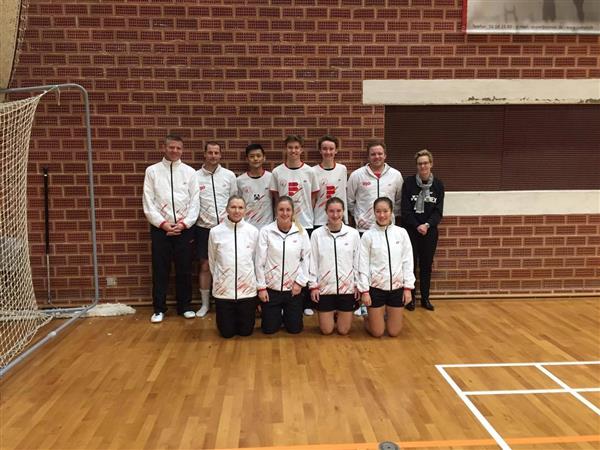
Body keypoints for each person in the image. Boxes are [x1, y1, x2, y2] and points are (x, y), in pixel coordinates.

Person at [142, 134, 199, 323]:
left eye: (178, 148)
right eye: (171, 147)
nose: (175, 151)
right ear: (164, 148)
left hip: (184, 229)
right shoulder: (152, 171)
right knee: (160, 269)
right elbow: (148, 202)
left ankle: (185, 306)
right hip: (161, 229)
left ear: (182, 150)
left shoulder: (190, 172)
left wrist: (183, 224)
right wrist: (163, 224)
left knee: (184, 269)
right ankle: (159, 309)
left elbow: (195, 202)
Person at [269, 134, 319, 316]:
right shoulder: (277, 172)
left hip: (305, 223)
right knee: (286, 260)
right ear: (286, 149)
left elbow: (314, 197)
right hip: (284, 223)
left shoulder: (310, 172)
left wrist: (304, 214)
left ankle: (305, 302)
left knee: (305, 261)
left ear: (301, 149)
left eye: (296, 147)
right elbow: (276, 198)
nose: (293, 150)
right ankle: (284, 301)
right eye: (290, 147)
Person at [358, 197, 415, 337]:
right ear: (374, 212)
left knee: (394, 332)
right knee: (377, 332)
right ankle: (367, 315)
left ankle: (384, 316)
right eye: (378, 211)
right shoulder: (367, 236)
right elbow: (362, 265)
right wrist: (364, 291)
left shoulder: (401, 233)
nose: (382, 215)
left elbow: (408, 262)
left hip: (396, 289)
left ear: (391, 212)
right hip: (375, 289)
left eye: (385, 211)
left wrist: (408, 288)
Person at [255, 196, 311, 334]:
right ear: (276, 211)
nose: (284, 213)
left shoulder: (301, 232)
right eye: (281, 209)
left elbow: (307, 260)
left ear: (292, 212)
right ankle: (275, 314)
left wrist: (300, 283)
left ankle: (286, 314)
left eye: (288, 210)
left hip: (293, 289)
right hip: (271, 289)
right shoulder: (266, 231)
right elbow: (259, 262)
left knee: (294, 329)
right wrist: (261, 288)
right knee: (269, 329)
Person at [195, 141, 237, 318]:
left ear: (220, 155)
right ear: (204, 154)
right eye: (210, 152)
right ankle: (205, 304)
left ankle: (226, 301)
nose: (213, 156)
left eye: (216, 153)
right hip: (203, 228)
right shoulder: (195, 176)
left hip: (225, 228)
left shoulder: (229, 176)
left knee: (226, 264)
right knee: (205, 266)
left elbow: (235, 201)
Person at [208, 195, 259, 338]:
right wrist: (220, 280)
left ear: (245, 210)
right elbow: (212, 260)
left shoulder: (253, 232)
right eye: (233, 207)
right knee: (226, 333)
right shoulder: (215, 232)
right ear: (227, 209)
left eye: (240, 207)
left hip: (247, 292)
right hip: (224, 292)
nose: (237, 211)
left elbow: (256, 260)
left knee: (246, 332)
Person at [309, 197, 360, 335]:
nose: (335, 215)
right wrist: (313, 286)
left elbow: (357, 261)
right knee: (326, 330)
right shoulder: (316, 235)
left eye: (338, 211)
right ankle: (331, 313)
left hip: (347, 290)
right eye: (331, 211)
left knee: (343, 331)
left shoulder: (353, 234)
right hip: (325, 290)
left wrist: (357, 284)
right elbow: (312, 262)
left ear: (343, 212)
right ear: (326, 212)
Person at [401, 149, 444, 312]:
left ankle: (425, 298)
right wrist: (417, 225)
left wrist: (427, 225)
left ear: (431, 164)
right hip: (411, 230)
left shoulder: (438, 185)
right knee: (410, 264)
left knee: (426, 265)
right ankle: (410, 299)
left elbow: (438, 211)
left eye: (425, 163)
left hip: (429, 231)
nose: (423, 166)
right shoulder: (408, 183)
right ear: (416, 166)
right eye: (420, 164)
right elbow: (405, 210)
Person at [346, 140, 403, 234]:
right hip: (364, 229)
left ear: (385, 155)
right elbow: (349, 200)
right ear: (368, 157)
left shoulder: (396, 175)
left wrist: (390, 216)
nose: (377, 157)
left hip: (388, 228)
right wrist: (359, 216)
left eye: (380, 154)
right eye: (373, 154)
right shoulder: (357, 175)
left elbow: (398, 201)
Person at [312, 135, 348, 228]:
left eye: (331, 149)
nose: (328, 152)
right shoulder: (313, 171)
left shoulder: (342, 169)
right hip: (319, 220)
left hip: (339, 219)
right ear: (320, 150)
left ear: (336, 150)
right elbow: (312, 199)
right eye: (324, 149)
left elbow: (344, 194)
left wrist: (345, 217)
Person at [236, 143, 273, 229]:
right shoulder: (240, 181)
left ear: (264, 158)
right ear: (247, 159)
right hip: (247, 227)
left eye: (258, 156)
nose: (255, 159)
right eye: (252, 156)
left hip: (267, 227)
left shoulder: (271, 178)